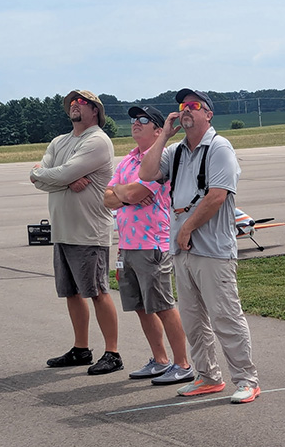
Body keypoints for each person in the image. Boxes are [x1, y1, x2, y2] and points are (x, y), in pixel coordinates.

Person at [139, 88, 259, 404]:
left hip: (212, 249)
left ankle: (247, 379)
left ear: (208, 114)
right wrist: (164, 134)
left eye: (195, 105)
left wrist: (186, 229)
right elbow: (146, 172)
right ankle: (207, 376)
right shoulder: (176, 151)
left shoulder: (220, 148)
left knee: (225, 316)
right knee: (193, 319)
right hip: (183, 250)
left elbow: (217, 196)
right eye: (183, 106)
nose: (187, 110)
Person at [30, 89, 122, 375]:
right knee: (71, 292)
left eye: (81, 102)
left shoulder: (97, 141)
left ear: (95, 110)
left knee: (96, 291)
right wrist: (63, 180)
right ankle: (81, 349)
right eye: (71, 102)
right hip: (62, 230)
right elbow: (41, 175)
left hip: (88, 231)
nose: (74, 105)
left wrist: (58, 176)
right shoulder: (59, 141)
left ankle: (112, 353)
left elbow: (57, 173)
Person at [104, 105, 193, 385]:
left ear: (158, 130)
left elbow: (137, 191)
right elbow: (106, 198)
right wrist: (124, 194)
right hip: (127, 245)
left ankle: (182, 363)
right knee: (141, 307)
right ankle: (160, 360)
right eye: (133, 119)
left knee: (163, 305)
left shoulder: (159, 161)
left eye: (144, 120)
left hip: (152, 244)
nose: (136, 123)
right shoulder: (128, 161)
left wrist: (125, 193)